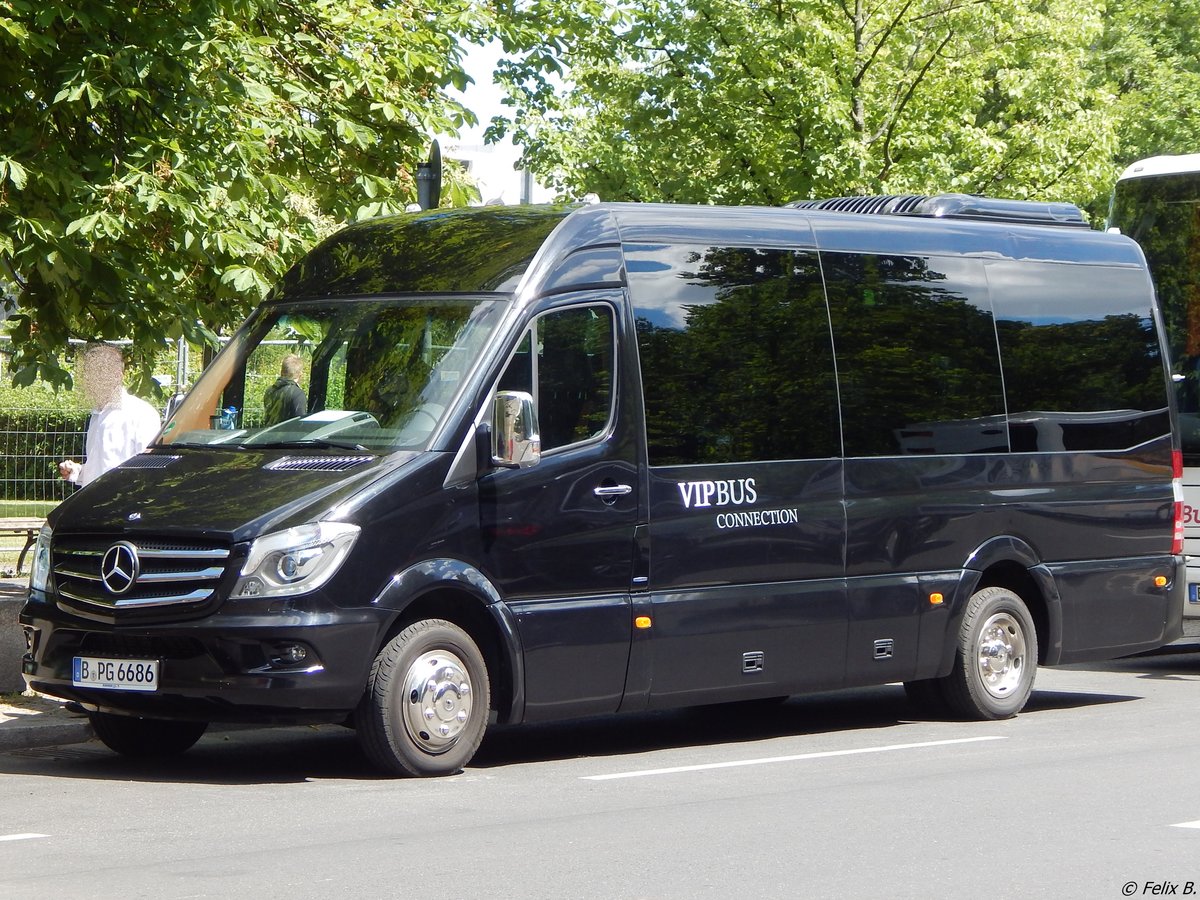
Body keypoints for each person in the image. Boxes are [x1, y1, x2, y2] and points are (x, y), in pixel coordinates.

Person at [58, 343, 162, 487]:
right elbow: (102, 468)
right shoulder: (97, 414)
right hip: (95, 503)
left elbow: (148, 471)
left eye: (101, 372)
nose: (92, 380)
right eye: (90, 373)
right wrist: (78, 472)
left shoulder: (142, 414)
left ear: (118, 375)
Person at [262, 354, 307, 425]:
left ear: (281, 371)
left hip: (268, 433)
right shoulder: (297, 394)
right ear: (300, 374)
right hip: (287, 435)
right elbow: (300, 424)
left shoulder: (270, 390)